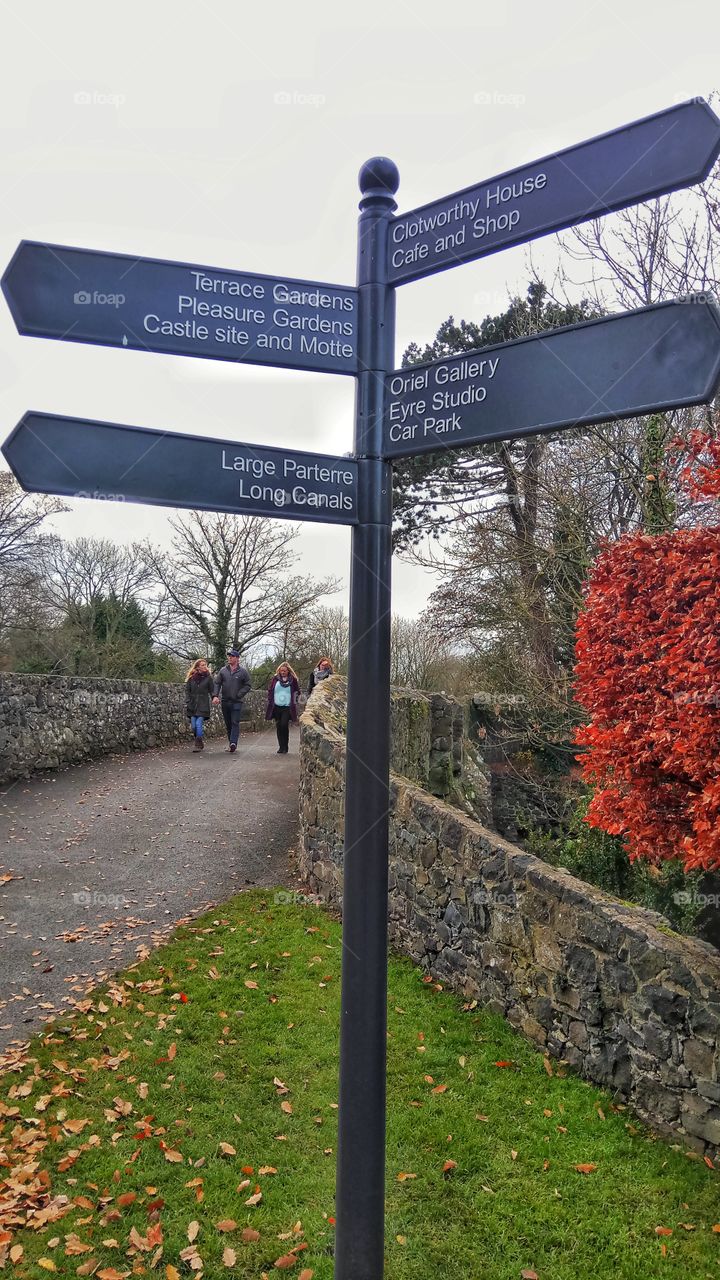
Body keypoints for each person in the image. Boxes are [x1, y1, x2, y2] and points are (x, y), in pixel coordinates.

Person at [213, 647, 251, 753]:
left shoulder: (243, 672)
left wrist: (239, 694)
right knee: (228, 723)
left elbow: (248, 685)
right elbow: (217, 683)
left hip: (237, 702)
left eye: (232, 656)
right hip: (225, 701)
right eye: (229, 656)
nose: (230, 658)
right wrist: (215, 695)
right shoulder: (223, 671)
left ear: (237, 658)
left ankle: (233, 742)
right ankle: (231, 743)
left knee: (235, 722)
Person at [266, 662, 300, 754]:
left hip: (287, 707)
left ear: (288, 671)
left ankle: (286, 746)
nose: (283, 672)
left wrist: (294, 701)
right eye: (281, 671)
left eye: (284, 671)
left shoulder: (293, 680)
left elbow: (297, 692)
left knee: (284, 725)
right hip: (276, 706)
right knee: (278, 726)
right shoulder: (275, 679)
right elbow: (270, 690)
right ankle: (281, 747)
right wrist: (270, 699)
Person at [184, 658, 214, 752]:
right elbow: (187, 691)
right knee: (193, 726)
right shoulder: (191, 678)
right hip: (192, 705)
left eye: (205, 665)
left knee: (198, 724)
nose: (205, 667)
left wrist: (214, 697)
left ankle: (198, 744)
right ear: (197, 667)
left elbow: (212, 690)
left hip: (203, 704)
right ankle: (199, 741)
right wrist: (188, 701)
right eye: (202, 665)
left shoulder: (208, 678)